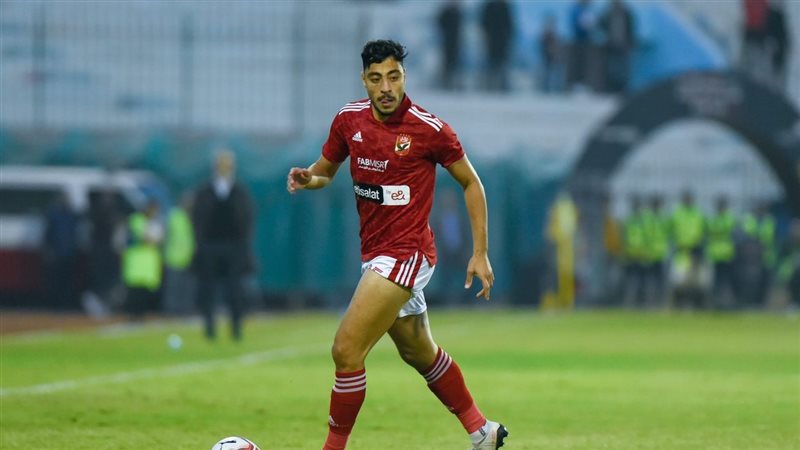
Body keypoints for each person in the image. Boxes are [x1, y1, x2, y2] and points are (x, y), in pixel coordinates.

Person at [287, 40, 508, 450]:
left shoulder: (430, 129)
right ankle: (483, 431)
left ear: (405, 76)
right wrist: (308, 178)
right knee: (418, 351)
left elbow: (471, 183)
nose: (386, 87)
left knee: (346, 349)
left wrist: (480, 252)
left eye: (394, 76)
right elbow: (325, 172)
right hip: (375, 255)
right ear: (364, 80)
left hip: (407, 253)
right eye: (376, 79)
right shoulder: (348, 120)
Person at [193, 150, 256, 341]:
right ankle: (209, 328)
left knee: (235, 289)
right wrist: (201, 243)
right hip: (210, 246)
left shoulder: (240, 191)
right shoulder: (205, 191)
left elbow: (247, 218)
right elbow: (197, 218)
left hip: (234, 247)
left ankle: (236, 327)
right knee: (208, 289)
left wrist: (243, 245)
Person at [122, 200, 163, 320]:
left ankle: (140, 315)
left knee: (144, 293)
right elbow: (146, 238)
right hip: (136, 262)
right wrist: (154, 239)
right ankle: (131, 315)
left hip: (147, 265)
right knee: (134, 292)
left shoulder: (153, 223)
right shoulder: (137, 220)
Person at [163, 191, 196, 315]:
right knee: (173, 288)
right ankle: (171, 312)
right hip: (174, 258)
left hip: (189, 258)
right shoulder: (174, 216)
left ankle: (185, 311)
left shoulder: (193, 217)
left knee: (188, 288)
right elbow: (166, 235)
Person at [598, 0, 635, 93]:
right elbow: (600, 27)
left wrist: (630, 42)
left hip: (624, 46)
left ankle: (622, 88)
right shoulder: (607, 14)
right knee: (611, 68)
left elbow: (631, 30)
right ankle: (611, 87)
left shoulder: (627, 14)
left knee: (623, 68)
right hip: (611, 46)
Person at [480, 0, 513, 92]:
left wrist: (508, 38)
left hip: (503, 42)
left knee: (502, 64)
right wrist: (486, 36)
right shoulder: (489, 6)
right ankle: (490, 85)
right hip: (491, 42)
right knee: (491, 63)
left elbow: (510, 25)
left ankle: (502, 86)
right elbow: (484, 23)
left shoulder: (505, 7)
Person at [437, 0, 463, 91]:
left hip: (456, 41)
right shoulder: (446, 13)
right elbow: (441, 25)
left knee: (455, 61)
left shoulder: (458, 13)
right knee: (447, 61)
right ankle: (446, 81)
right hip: (447, 41)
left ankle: (454, 82)